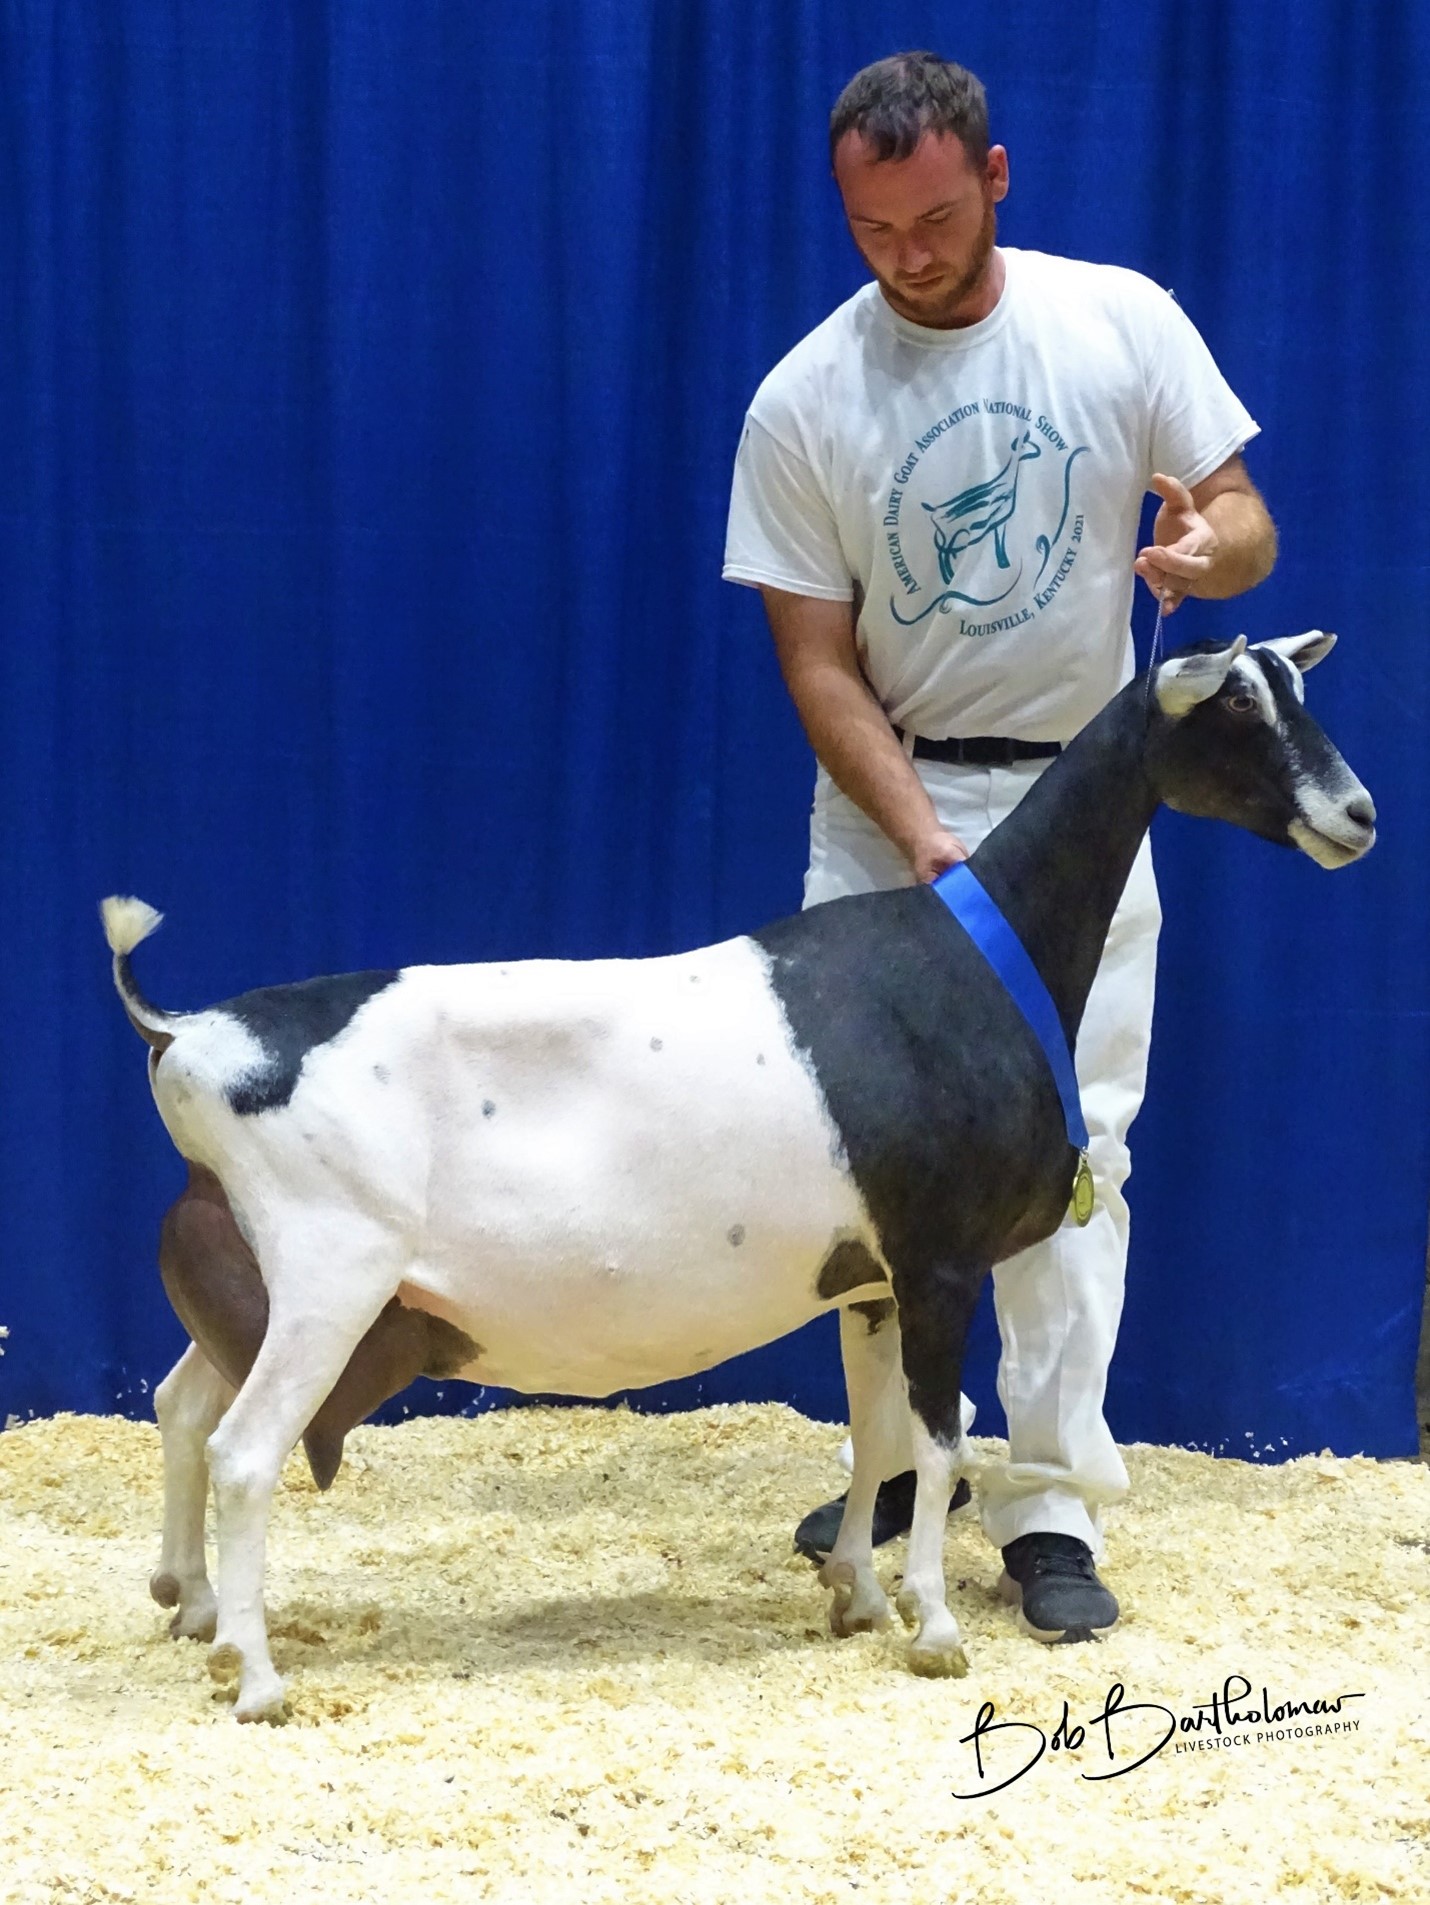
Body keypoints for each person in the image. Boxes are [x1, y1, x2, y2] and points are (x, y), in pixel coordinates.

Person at [722, 51, 1277, 1643]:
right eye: (872, 227)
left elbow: (1242, 517)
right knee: (874, 1175)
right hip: (890, 815)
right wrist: (916, 840)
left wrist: (1206, 548)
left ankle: (1046, 1500)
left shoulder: (1117, 320)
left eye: (936, 217)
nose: (906, 252)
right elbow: (817, 663)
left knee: (1072, 1162)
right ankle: (900, 1475)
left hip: (1083, 811)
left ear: (998, 178)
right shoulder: (804, 397)